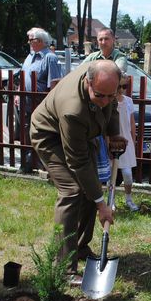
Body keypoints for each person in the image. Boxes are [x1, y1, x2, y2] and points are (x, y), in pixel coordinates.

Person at [30, 60, 128, 286]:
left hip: (81, 134)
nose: (105, 102)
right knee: (73, 191)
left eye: (110, 95)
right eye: (99, 96)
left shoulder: (106, 82)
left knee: (89, 189)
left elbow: (111, 106)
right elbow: (78, 163)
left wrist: (113, 135)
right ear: (87, 82)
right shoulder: (72, 109)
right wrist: (102, 205)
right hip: (49, 136)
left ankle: (81, 247)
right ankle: (64, 268)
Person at [20, 27, 63, 126]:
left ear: (39, 41)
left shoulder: (50, 58)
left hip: (40, 106)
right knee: (26, 134)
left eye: (30, 40)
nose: (28, 42)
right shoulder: (29, 56)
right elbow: (24, 76)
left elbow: (54, 84)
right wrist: (18, 94)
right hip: (26, 104)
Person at [115, 74, 140, 211]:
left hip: (126, 141)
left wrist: (133, 141)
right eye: (118, 86)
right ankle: (111, 200)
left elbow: (132, 123)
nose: (121, 90)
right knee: (111, 174)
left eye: (124, 86)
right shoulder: (110, 101)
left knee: (128, 174)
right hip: (113, 141)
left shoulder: (129, 101)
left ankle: (128, 199)